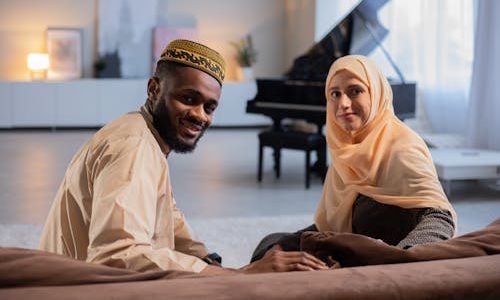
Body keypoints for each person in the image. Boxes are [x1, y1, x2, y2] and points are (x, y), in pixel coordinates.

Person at [39, 39, 327, 275]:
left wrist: (208, 261)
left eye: (210, 107)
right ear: (154, 89)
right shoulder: (134, 147)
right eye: (189, 99)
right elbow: (116, 255)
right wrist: (238, 277)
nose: (200, 115)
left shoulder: (146, 135)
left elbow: (170, 217)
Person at [252, 54, 456, 261]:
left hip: (377, 261)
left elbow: (440, 217)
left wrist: (399, 260)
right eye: (335, 94)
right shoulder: (348, 150)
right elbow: (332, 226)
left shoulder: (402, 148)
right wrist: (281, 247)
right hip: (348, 247)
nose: (343, 104)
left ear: (376, 93)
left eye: (355, 91)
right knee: (270, 246)